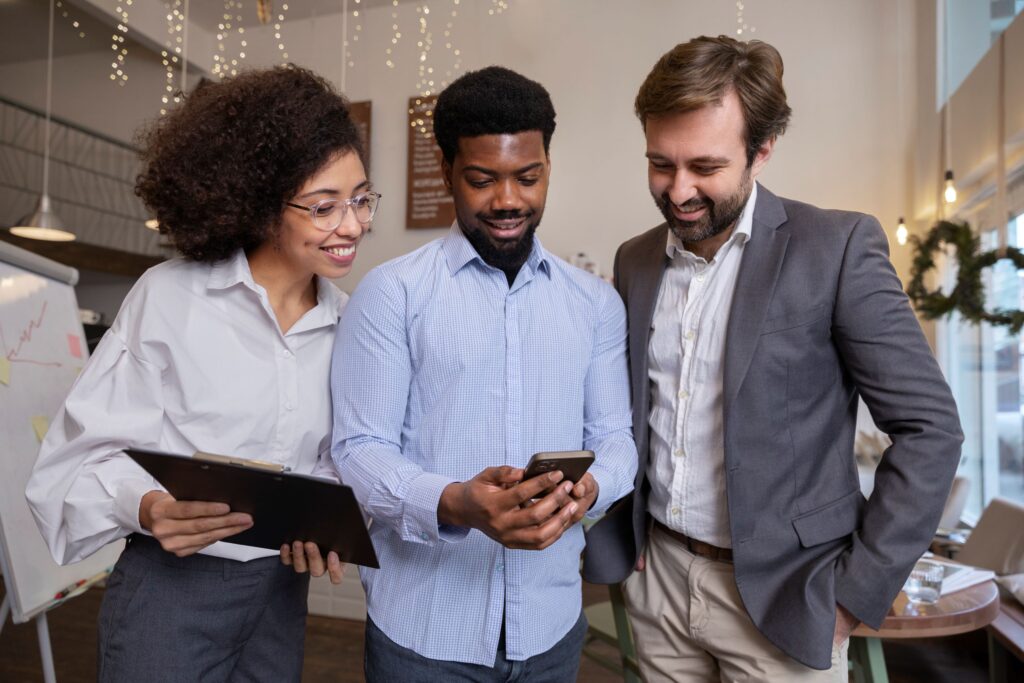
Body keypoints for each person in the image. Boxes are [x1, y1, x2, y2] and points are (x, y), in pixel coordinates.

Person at [582, 35, 964, 681]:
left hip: (790, 597)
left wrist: (850, 596)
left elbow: (931, 429)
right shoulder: (635, 258)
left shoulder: (836, 248)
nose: (678, 191)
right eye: (660, 164)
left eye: (704, 166)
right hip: (659, 584)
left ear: (762, 151)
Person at [25, 65, 378, 681]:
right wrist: (150, 506)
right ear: (262, 205)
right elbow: (77, 461)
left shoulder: (351, 323)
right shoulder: (169, 299)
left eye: (360, 199)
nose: (351, 225)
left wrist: (321, 516)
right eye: (324, 207)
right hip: (170, 590)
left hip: (280, 589)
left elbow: (335, 454)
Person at [330, 66, 637, 682]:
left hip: (550, 621)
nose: (507, 201)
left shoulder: (595, 305)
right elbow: (359, 449)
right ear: (446, 172)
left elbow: (615, 439)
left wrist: (588, 490)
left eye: (528, 177)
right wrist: (455, 503)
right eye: (481, 179)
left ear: (548, 166)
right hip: (423, 627)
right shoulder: (392, 294)